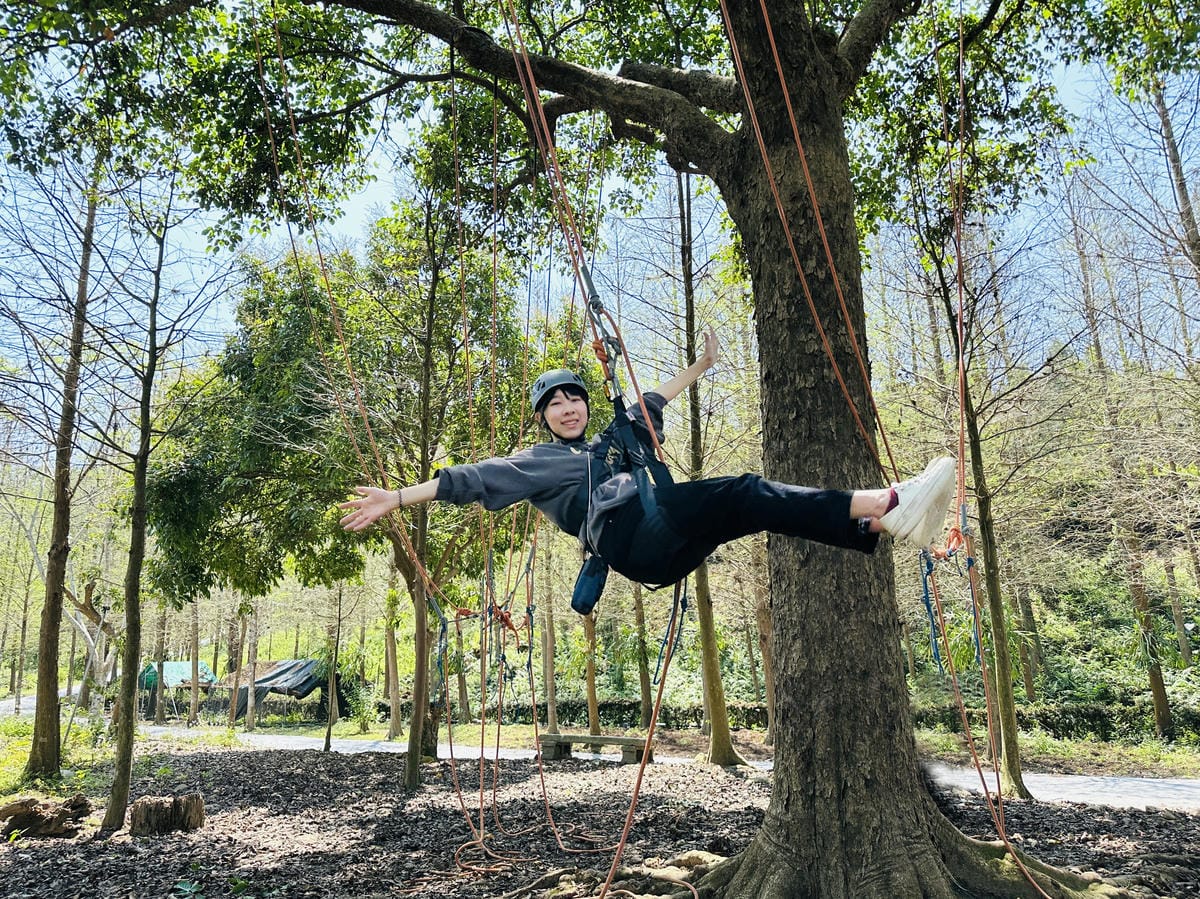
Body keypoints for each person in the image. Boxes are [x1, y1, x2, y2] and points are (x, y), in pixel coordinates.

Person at [339, 329, 956, 596]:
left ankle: (871, 525)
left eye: (574, 398)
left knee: (751, 507)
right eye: (554, 405)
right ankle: (887, 500)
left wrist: (702, 367)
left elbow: (653, 400)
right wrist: (397, 498)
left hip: (662, 551)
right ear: (543, 418)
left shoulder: (614, 440)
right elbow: (474, 478)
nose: (567, 409)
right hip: (632, 535)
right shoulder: (543, 462)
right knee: (742, 490)